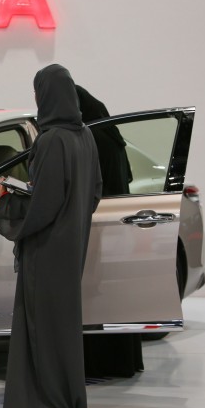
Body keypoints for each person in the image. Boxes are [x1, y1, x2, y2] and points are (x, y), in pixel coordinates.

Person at [0, 64, 102, 408]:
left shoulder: (52, 139)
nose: (36, 98)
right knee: (62, 325)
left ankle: (44, 403)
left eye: (37, 91)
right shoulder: (85, 136)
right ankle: (68, 400)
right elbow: (93, 192)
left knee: (40, 325)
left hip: (47, 248)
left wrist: (9, 202)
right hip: (72, 245)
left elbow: (44, 204)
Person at [75, 85, 144, 378]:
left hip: (97, 225)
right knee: (115, 295)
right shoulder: (112, 138)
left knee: (93, 294)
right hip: (116, 225)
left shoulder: (91, 138)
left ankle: (101, 363)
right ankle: (122, 360)